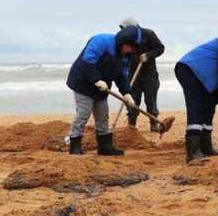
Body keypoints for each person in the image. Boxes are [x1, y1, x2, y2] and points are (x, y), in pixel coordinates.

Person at [65, 26, 139, 156]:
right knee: (83, 113)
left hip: (102, 87)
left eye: (133, 49)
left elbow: (121, 76)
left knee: (103, 115)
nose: (131, 50)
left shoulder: (126, 56)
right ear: (123, 42)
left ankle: (105, 147)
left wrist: (127, 93)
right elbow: (87, 62)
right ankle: (74, 145)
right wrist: (96, 80)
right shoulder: (102, 41)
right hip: (83, 82)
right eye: (130, 47)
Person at [118, 17, 165, 132]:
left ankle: (154, 124)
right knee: (132, 100)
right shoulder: (124, 38)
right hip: (133, 73)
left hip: (149, 73)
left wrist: (148, 55)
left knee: (150, 100)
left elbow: (160, 48)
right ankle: (131, 126)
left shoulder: (148, 34)